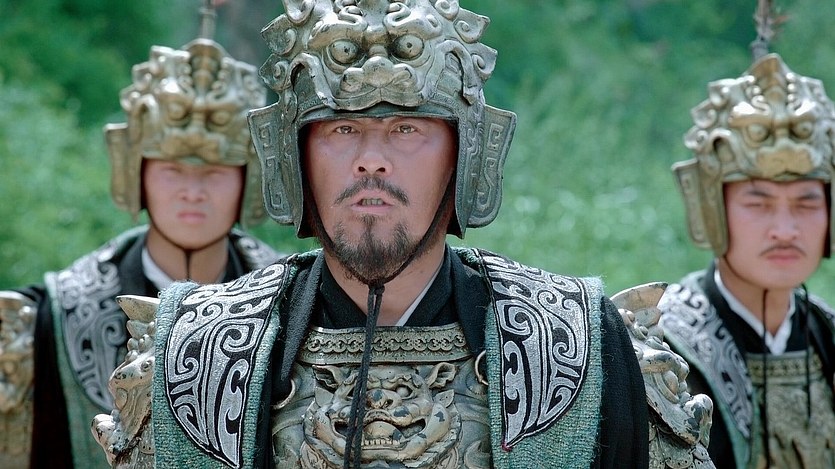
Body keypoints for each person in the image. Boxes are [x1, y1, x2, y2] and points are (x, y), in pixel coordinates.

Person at [92, 1, 713, 468]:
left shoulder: (577, 345)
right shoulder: (197, 352)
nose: (372, 160)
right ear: (295, 157)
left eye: (407, 129)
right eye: (342, 130)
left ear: (465, 156)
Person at [0, 5, 283, 468]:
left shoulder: (291, 303)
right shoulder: (56, 316)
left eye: (215, 171)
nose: (193, 191)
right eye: (172, 170)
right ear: (137, 174)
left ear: (248, 182)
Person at [658, 27, 835, 468]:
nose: (785, 229)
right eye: (758, 204)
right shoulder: (663, 349)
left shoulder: (827, 336)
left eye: (806, 203)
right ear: (711, 210)